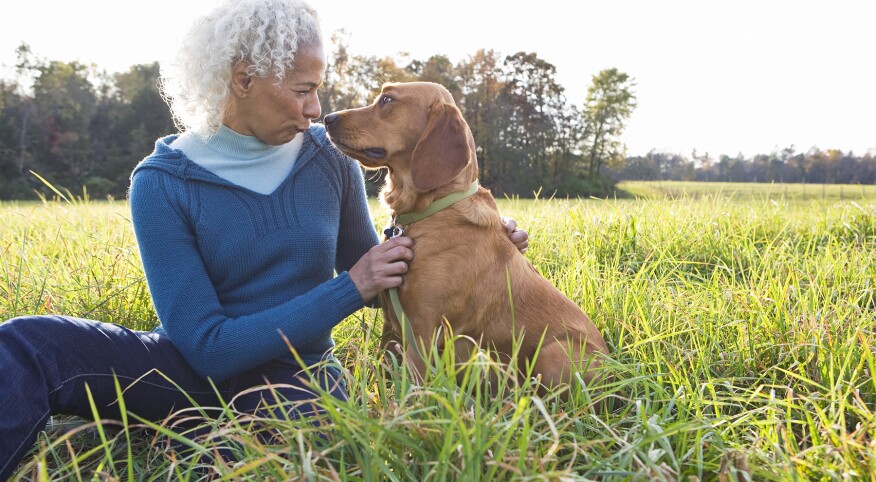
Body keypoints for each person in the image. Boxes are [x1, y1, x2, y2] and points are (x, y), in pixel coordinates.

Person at [0, 0, 529, 477]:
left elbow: (379, 272)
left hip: (297, 377)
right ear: (243, 79)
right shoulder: (162, 182)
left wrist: (474, 246)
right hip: (185, 369)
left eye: (317, 89)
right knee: (27, 342)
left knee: (264, 456)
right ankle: (167, 425)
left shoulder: (328, 157)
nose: (317, 110)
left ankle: (181, 438)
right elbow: (206, 347)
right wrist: (351, 287)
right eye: (303, 90)